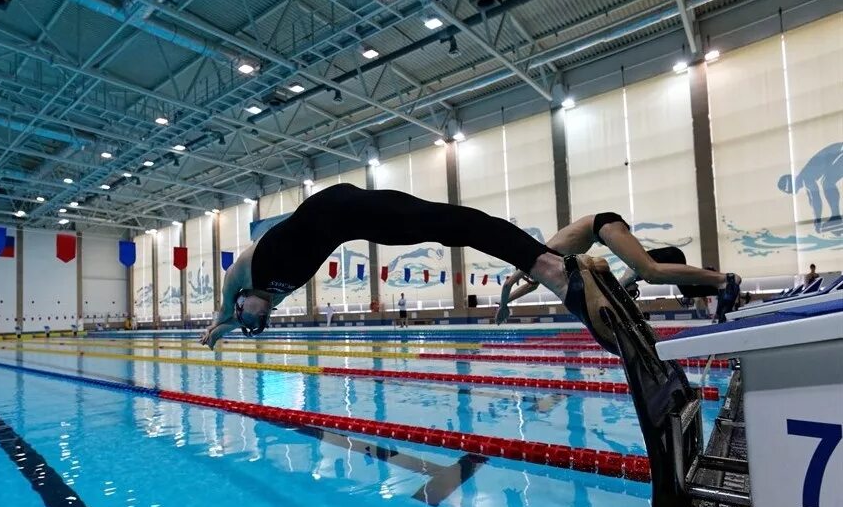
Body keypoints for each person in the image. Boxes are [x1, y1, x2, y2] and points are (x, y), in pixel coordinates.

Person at [199, 183, 620, 351]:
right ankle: (554, 269)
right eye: (262, 322)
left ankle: (554, 271)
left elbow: (222, 315)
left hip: (335, 205)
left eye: (251, 318)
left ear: (241, 303)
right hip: (351, 224)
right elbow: (235, 322)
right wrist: (230, 330)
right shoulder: (272, 295)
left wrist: (216, 328)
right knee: (449, 227)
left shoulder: (242, 274)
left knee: (446, 220)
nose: (262, 316)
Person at [495, 212, 742, 323]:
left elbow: (508, 284)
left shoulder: (535, 256)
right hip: (603, 230)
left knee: (650, 272)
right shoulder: (538, 268)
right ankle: (713, 282)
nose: (529, 279)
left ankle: (723, 279)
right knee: (649, 271)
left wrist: (503, 307)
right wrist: (505, 304)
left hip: (603, 225)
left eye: (524, 276)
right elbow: (522, 288)